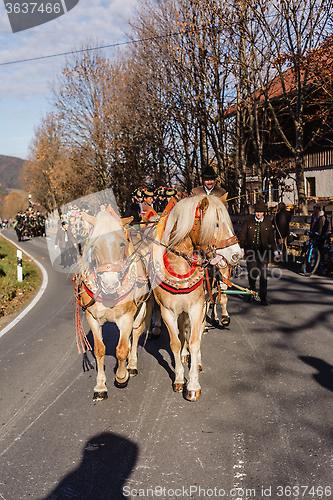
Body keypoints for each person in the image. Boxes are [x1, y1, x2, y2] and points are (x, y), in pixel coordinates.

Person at [240, 199, 280, 306]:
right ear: (255, 212)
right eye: (257, 211)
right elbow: (243, 235)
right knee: (253, 274)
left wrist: (276, 253)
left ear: (264, 212)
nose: (259, 214)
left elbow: (272, 239)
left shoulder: (267, 222)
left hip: (263, 254)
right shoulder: (248, 220)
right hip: (251, 253)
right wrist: (242, 249)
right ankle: (252, 291)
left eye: (261, 212)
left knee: (263, 276)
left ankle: (263, 298)